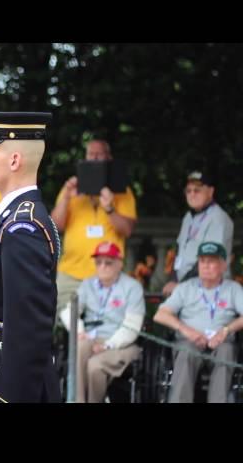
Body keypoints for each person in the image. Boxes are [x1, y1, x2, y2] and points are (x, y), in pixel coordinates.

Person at [0, 109, 61, 403]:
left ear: (15, 160)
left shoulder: (23, 227)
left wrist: (10, 396)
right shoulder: (11, 216)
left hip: (5, 377)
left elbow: (27, 325)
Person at [51, 139, 137, 315]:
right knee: (67, 319)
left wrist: (110, 208)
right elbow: (55, 226)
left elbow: (127, 230)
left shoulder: (123, 192)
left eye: (100, 154)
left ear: (109, 158)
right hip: (71, 272)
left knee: (105, 323)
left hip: (107, 272)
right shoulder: (71, 189)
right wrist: (67, 197)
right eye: (91, 154)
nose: (95, 158)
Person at [154, 241, 243, 403]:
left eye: (212, 261)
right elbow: (161, 314)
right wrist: (187, 331)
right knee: (186, 351)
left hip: (221, 342)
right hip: (189, 341)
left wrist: (225, 331)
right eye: (202, 261)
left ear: (223, 265)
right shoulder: (185, 288)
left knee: (226, 352)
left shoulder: (233, 289)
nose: (206, 266)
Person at [59, 241, 145, 403]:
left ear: (120, 264)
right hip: (92, 338)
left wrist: (108, 345)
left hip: (121, 344)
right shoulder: (87, 284)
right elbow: (68, 312)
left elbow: (132, 327)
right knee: (80, 346)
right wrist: (79, 331)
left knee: (94, 366)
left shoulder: (133, 287)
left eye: (108, 262)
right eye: (98, 262)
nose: (103, 266)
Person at [162, 169, 233, 297]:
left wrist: (181, 286)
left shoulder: (218, 218)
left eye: (197, 190)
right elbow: (178, 251)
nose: (192, 194)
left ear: (211, 192)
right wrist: (173, 279)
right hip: (186, 288)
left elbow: (210, 257)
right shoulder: (188, 217)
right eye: (188, 191)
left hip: (210, 289)